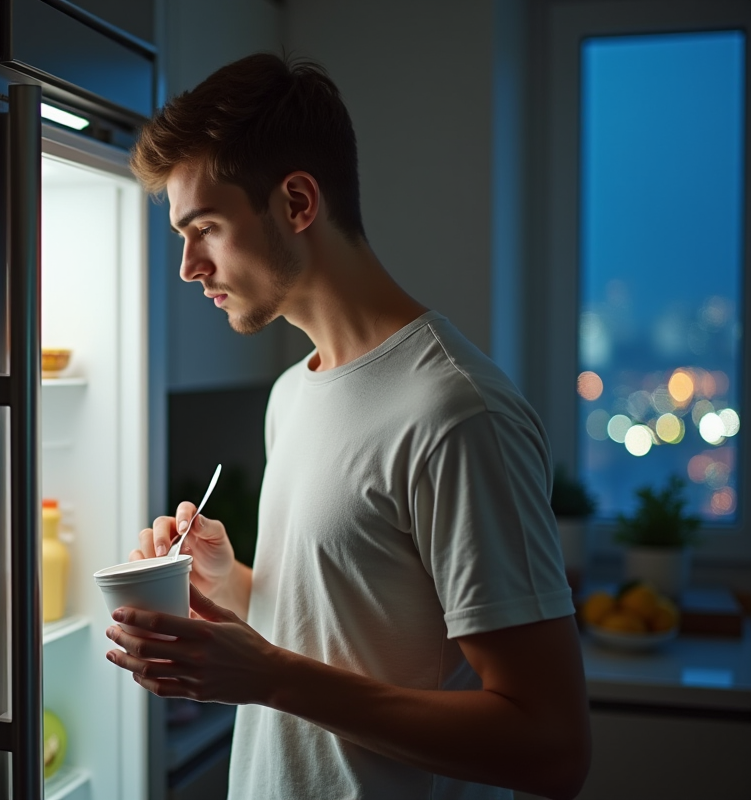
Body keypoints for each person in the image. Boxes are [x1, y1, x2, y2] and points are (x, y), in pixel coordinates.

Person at [105, 53, 592, 800]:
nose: (187, 267)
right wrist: (228, 584)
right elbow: (347, 628)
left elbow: (550, 747)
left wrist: (268, 678)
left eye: (204, 228)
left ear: (298, 203)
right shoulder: (292, 394)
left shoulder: (458, 413)